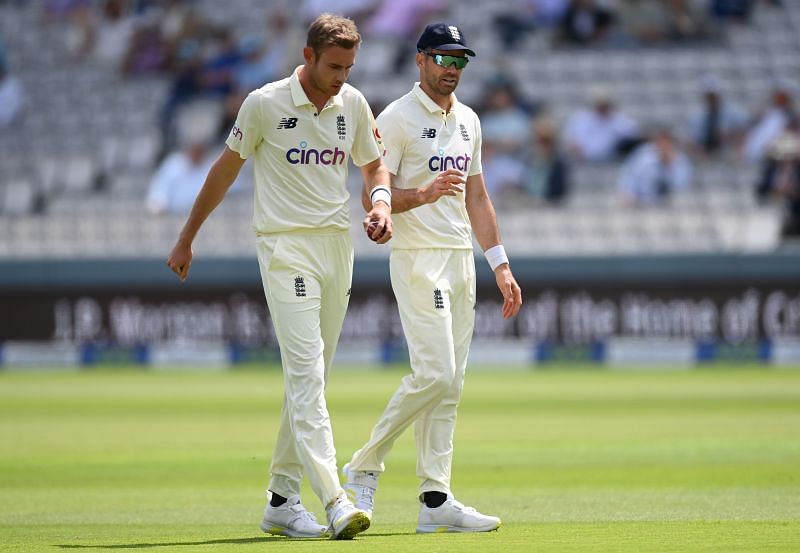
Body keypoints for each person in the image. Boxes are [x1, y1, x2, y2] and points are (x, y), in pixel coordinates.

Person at [166, 13, 393, 540]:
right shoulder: (264, 103)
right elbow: (225, 169)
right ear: (308, 56)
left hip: (338, 248)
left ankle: (280, 500)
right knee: (308, 374)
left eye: (350, 67)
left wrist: (380, 204)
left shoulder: (352, 104)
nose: (342, 76)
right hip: (285, 247)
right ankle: (335, 500)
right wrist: (186, 236)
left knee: (311, 378)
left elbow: (375, 166)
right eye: (335, 66)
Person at [342, 22, 523, 534]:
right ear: (420, 60)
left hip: (460, 258)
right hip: (418, 255)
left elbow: (477, 197)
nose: (452, 69)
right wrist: (420, 195)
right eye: (444, 58)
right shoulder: (395, 119)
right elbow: (371, 195)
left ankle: (435, 498)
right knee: (437, 374)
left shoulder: (469, 120)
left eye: (461, 60)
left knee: (452, 386)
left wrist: (501, 265)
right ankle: (364, 463)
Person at [617, 126, 692, 206]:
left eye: (666, 143)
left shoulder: (680, 160)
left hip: (669, 205)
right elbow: (629, 176)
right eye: (661, 142)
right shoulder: (643, 155)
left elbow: (682, 186)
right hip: (641, 203)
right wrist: (628, 192)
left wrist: (669, 165)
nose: (663, 146)